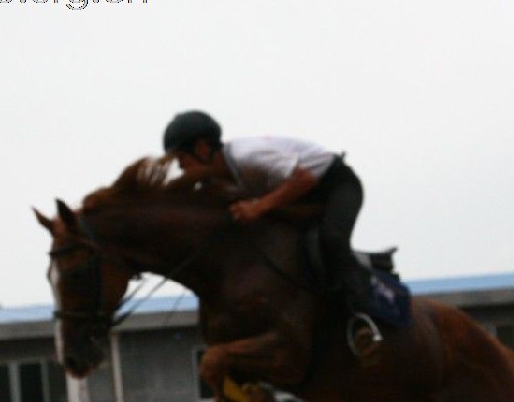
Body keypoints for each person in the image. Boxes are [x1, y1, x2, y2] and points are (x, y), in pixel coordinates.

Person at [162, 111, 382, 357]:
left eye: (182, 159)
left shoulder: (248, 155)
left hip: (334, 185)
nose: (181, 168)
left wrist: (259, 206)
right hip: (298, 196)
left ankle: (363, 318)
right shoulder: (218, 180)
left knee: (331, 240)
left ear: (202, 148)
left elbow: (305, 177)